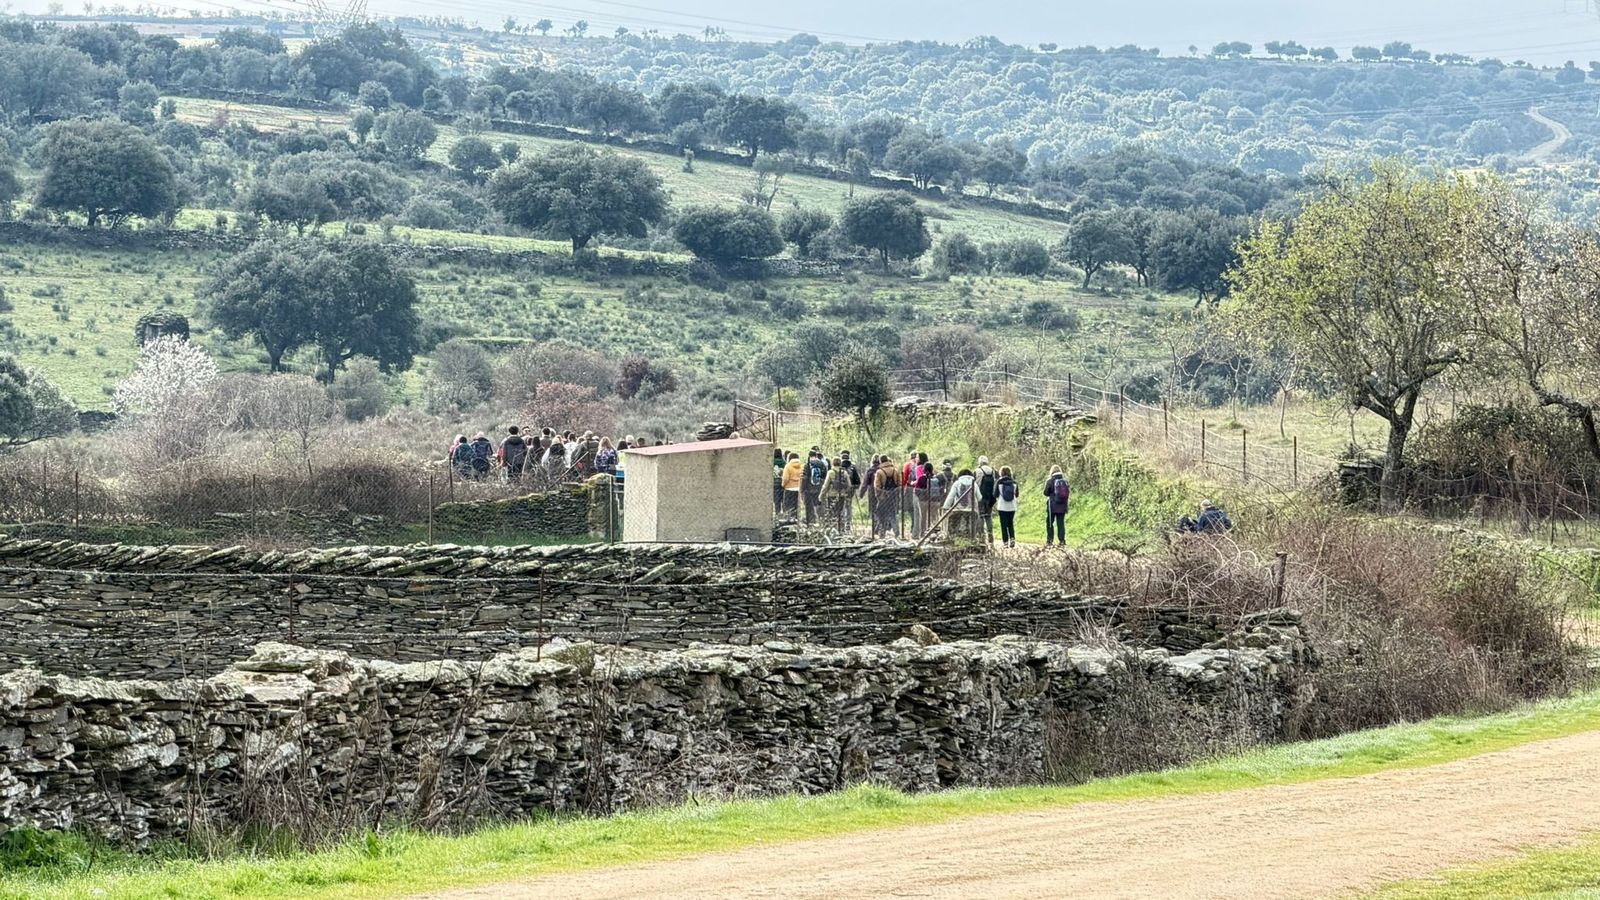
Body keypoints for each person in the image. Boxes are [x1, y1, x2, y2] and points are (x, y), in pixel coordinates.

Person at [872, 455, 902, 539]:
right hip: (893, 496)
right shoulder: (895, 471)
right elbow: (899, 484)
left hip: (883, 497)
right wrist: (896, 493)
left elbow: (877, 486)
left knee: (881, 515)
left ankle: (882, 532)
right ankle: (897, 532)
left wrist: (878, 496)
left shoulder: (879, 472)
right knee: (893, 514)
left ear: (880, 461)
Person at [821, 455, 854, 533]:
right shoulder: (844, 472)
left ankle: (833, 528)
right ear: (840, 463)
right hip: (841, 495)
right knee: (840, 511)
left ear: (833, 463)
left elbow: (825, 485)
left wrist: (821, 495)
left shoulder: (830, 472)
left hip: (831, 495)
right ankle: (841, 528)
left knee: (832, 512)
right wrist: (845, 491)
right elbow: (849, 485)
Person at [1043, 465, 1070, 546]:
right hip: (1063, 506)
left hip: (1052, 506)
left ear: (1052, 472)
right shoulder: (1065, 481)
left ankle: (1050, 540)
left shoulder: (1050, 481)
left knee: (1050, 523)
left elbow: (1045, 493)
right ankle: (1062, 540)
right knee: (1060, 523)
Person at [802, 449, 829, 526]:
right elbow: (825, 476)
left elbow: (805, 477)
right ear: (816, 456)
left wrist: (803, 488)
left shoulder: (807, 465)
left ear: (809, 456)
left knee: (809, 507)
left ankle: (810, 522)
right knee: (819, 505)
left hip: (809, 489)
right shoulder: (822, 464)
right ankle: (820, 521)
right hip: (819, 489)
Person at [975, 455, 998, 545]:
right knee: (988, 516)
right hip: (990, 498)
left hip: (980, 497)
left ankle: (981, 536)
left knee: (980, 516)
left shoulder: (977, 471)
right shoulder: (993, 471)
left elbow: (975, 484)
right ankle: (990, 534)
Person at [995, 466, 1019, 548]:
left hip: (1002, 506)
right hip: (1012, 506)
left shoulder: (999, 482)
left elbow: (995, 494)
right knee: (1010, 523)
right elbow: (1017, 494)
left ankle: (1005, 542)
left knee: (1003, 524)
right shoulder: (1014, 482)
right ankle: (1012, 539)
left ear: (1001, 473)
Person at [781, 451, 804, 518]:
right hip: (798, 488)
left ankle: (788, 518)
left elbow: (785, 478)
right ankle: (796, 518)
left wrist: (783, 485)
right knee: (796, 505)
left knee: (787, 505)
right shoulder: (801, 466)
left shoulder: (788, 466)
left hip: (789, 488)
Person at [772, 448, 787, 515]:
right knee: (783, 499)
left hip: (774, 483)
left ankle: (777, 513)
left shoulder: (771, 462)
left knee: (776, 500)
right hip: (782, 483)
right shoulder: (784, 463)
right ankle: (784, 513)